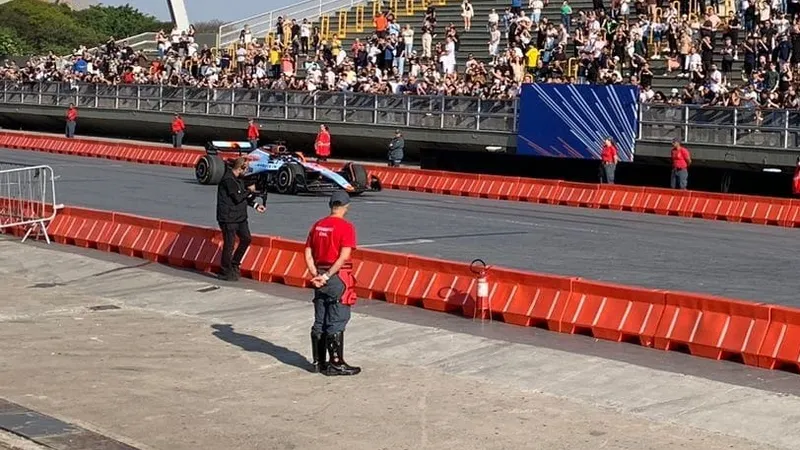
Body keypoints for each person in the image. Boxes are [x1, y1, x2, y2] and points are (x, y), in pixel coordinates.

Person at [304, 191, 360, 376]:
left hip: (318, 275)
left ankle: (317, 362)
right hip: (337, 278)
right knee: (337, 318)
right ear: (346, 207)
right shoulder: (346, 227)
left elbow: (308, 251)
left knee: (320, 319)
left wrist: (315, 274)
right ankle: (336, 363)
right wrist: (327, 275)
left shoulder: (318, 225)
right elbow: (344, 257)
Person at [216, 157, 266, 281]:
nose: (247, 171)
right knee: (229, 244)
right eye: (246, 169)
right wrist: (250, 190)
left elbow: (244, 197)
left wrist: (255, 205)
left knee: (246, 239)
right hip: (228, 217)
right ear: (240, 168)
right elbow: (238, 197)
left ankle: (235, 264)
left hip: (240, 217)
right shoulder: (228, 180)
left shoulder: (239, 180)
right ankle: (225, 270)